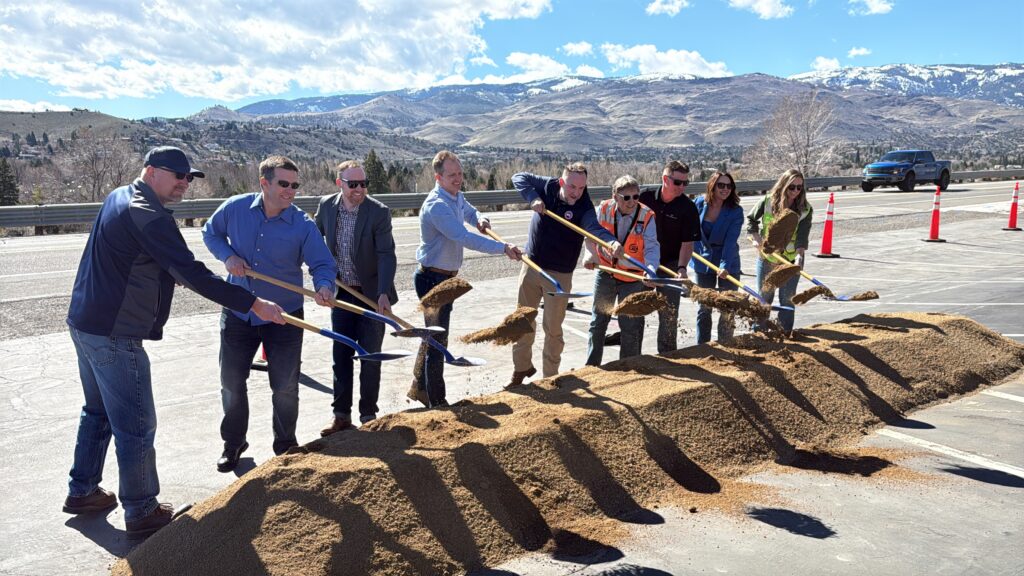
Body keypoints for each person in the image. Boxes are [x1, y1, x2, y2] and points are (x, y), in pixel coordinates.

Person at [65, 146, 285, 539]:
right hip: (114, 331)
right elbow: (191, 272)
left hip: (86, 322)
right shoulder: (146, 213)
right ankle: (142, 509)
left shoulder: (121, 195)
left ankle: (82, 491)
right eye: (177, 175)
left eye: (189, 177)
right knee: (135, 423)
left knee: (98, 411)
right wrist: (252, 303)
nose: (184, 182)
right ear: (150, 172)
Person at [202, 155, 336, 471]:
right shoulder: (235, 208)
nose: (291, 191)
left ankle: (285, 445)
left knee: (285, 386)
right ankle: (233, 443)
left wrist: (325, 286)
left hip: (284, 316)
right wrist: (228, 257)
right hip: (239, 312)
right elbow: (211, 233)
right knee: (231, 383)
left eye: (295, 185)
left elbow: (322, 264)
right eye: (284, 184)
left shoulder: (302, 224)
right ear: (264, 183)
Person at [411, 150, 522, 407]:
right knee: (438, 341)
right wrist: (503, 247)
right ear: (438, 177)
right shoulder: (437, 206)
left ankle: (420, 388)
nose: (458, 179)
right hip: (432, 280)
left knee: (433, 337)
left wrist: (481, 218)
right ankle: (437, 402)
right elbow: (464, 237)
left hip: (446, 278)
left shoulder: (455, 196)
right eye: (452, 175)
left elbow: (471, 213)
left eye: (460, 173)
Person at [508, 163, 622, 386]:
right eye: (572, 187)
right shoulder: (549, 186)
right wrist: (533, 198)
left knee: (553, 329)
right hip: (532, 265)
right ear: (562, 182)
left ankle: (550, 376)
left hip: (560, 274)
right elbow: (518, 177)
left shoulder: (584, 206)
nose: (576, 193)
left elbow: (594, 228)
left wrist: (611, 242)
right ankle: (521, 369)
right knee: (522, 321)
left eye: (581, 188)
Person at [314, 160, 398, 435]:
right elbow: (314, 242)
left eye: (363, 184)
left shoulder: (378, 212)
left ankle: (368, 415)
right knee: (341, 354)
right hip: (342, 294)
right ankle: (341, 416)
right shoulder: (327, 206)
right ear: (340, 184)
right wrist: (321, 279)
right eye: (353, 184)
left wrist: (384, 292)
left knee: (370, 356)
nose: (359, 189)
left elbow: (386, 255)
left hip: (373, 295)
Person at [584, 175, 660, 366]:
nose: (632, 202)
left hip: (632, 278)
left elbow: (651, 247)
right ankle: (592, 367)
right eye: (626, 198)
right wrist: (590, 254)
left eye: (636, 196)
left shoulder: (647, 215)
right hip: (606, 273)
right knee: (598, 322)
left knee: (631, 325)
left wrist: (650, 270)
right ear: (615, 196)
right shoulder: (603, 209)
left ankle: (629, 366)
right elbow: (589, 235)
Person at [638, 160, 701, 353]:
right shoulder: (644, 197)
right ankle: (632, 358)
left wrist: (682, 268)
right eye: (677, 182)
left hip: (671, 264)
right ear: (665, 179)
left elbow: (687, 243)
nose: (682, 187)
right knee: (635, 310)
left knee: (669, 313)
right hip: (641, 261)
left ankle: (668, 357)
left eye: (685, 183)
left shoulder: (688, 208)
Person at [746, 168, 813, 334]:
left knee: (787, 300)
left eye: (799, 187)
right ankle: (759, 333)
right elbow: (751, 220)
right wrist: (756, 239)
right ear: (783, 185)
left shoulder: (805, 209)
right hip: (767, 259)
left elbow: (802, 238)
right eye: (792, 187)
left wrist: (799, 258)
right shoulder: (768, 201)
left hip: (789, 261)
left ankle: (784, 334)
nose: (796, 191)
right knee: (764, 298)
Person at [692, 171, 744, 344]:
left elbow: (730, 241)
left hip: (727, 261)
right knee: (704, 307)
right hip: (703, 261)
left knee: (727, 307)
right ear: (712, 186)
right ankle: (703, 347)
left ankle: (726, 344)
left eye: (729, 186)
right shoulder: (699, 203)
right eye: (721, 185)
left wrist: (725, 265)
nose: (725, 189)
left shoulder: (735, 211)